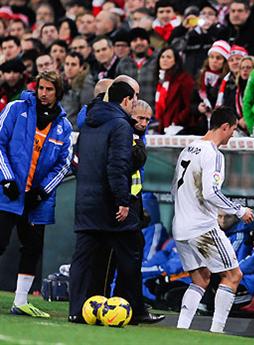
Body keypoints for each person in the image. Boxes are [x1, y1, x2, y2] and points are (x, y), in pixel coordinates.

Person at [69, 77, 161, 324]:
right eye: (134, 100)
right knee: (130, 253)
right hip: (112, 203)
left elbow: (77, 161)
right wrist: (122, 200)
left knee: (84, 257)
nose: (135, 106)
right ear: (126, 100)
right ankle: (131, 310)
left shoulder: (87, 122)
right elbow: (118, 165)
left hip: (85, 201)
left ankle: (78, 310)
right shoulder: (121, 125)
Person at [172, 106, 254, 333]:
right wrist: (239, 211)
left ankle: (181, 330)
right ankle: (217, 333)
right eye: (233, 130)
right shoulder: (213, 153)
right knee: (233, 275)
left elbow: (175, 189)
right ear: (225, 127)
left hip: (180, 227)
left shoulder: (188, 148)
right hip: (201, 227)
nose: (232, 135)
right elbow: (210, 192)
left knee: (201, 280)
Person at [0, 71, 73, 318]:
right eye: (40, 88)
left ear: (58, 92)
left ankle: (20, 301)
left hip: (36, 201)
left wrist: (43, 191)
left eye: (49, 89)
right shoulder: (15, 109)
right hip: (6, 193)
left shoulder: (63, 126)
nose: (43, 93)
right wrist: (6, 177)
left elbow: (64, 164)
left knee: (32, 248)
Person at [153, 46, 194, 134]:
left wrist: (176, 122)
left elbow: (189, 105)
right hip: (163, 127)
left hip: (179, 128)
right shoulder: (161, 80)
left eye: (169, 57)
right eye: (162, 57)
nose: (164, 60)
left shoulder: (184, 79)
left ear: (176, 60)